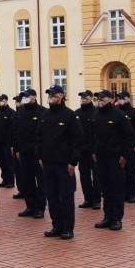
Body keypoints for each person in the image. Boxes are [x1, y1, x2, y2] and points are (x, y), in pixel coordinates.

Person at [36, 85, 82, 240]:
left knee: (66, 196)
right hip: (48, 163)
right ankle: (57, 225)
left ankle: (68, 228)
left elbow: (77, 140)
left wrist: (73, 162)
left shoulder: (70, 115)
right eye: (49, 94)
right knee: (52, 196)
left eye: (53, 95)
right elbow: (39, 138)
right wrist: (40, 157)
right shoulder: (45, 115)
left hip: (64, 164)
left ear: (61, 96)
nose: (50, 97)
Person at [91, 90, 135, 231]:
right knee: (105, 188)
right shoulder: (96, 115)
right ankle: (107, 216)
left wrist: (125, 155)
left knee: (116, 188)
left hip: (115, 157)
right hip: (101, 157)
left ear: (110, 99)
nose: (99, 100)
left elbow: (129, 136)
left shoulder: (119, 115)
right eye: (98, 98)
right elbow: (93, 136)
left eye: (102, 98)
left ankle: (116, 218)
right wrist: (94, 151)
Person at [13, 89, 47, 218]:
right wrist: (16, 149)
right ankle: (30, 206)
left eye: (27, 97)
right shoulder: (20, 113)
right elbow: (15, 133)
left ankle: (40, 208)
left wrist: (42, 153)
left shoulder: (42, 111)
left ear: (34, 97)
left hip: (37, 153)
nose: (25, 99)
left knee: (40, 181)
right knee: (27, 180)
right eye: (23, 97)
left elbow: (44, 135)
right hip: (23, 152)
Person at [116, 91, 135, 203]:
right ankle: (123, 193)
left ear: (128, 98)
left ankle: (132, 194)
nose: (120, 99)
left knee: (131, 171)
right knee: (120, 171)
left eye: (122, 98)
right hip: (119, 147)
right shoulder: (116, 112)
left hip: (132, 146)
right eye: (119, 98)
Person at [75, 90, 101, 210]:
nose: (83, 99)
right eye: (82, 97)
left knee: (96, 176)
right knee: (84, 175)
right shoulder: (77, 113)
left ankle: (96, 199)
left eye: (86, 97)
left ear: (91, 98)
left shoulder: (96, 112)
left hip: (94, 150)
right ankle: (88, 198)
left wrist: (96, 148)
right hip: (82, 149)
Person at [0, 94, 15, 188]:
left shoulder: (11, 112)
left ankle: (10, 180)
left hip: (7, 142)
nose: (0, 102)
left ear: (6, 101)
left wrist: (11, 142)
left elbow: (12, 129)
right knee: (2, 162)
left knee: (9, 162)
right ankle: (4, 179)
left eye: (2, 100)